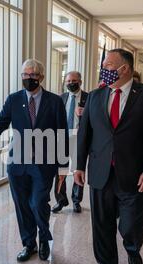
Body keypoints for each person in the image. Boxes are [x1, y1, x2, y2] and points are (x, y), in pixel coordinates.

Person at [74, 49, 143, 264]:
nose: (102, 68)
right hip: (100, 173)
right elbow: (85, 134)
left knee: (131, 224)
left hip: (135, 174)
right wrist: (78, 166)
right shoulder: (95, 96)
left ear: (124, 68)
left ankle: (132, 247)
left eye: (107, 64)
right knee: (101, 224)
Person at [0, 59, 69, 263]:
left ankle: (44, 238)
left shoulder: (54, 101)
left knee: (39, 202)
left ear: (41, 77)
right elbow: (2, 122)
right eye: (25, 74)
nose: (28, 78)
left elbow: (62, 135)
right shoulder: (13, 99)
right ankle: (29, 244)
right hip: (17, 163)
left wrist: (63, 167)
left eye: (32, 75)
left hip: (44, 163)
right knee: (22, 205)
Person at [52, 71, 89, 214]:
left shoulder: (89, 97)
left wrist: (85, 113)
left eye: (74, 80)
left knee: (77, 170)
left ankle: (76, 201)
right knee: (61, 171)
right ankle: (60, 201)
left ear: (80, 81)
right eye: (68, 81)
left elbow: (96, 118)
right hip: (62, 139)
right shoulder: (61, 98)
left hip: (79, 140)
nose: (70, 83)